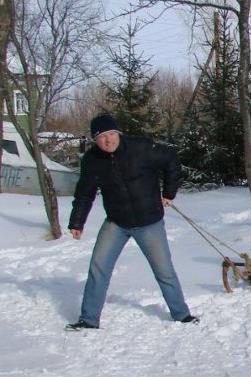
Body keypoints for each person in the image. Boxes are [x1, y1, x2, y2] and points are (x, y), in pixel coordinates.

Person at [65, 113, 198, 329]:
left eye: (111, 134)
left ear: (118, 133)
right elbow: (84, 193)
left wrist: (169, 192)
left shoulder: (140, 148)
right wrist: (77, 223)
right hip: (116, 222)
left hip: (149, 222)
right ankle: (88, 319)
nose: (108, 140)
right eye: (101, 137)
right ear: (95, 140)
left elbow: (171, 160)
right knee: (98, 268)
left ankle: (182, 315)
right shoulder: (92, 160)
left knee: (164, 270)